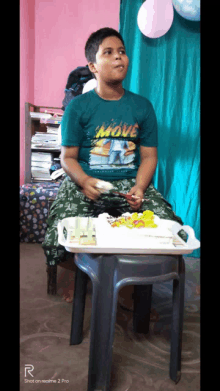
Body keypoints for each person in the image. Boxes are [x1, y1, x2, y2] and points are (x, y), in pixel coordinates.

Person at [42, 27, 183, 302]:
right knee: (59, 233)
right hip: (87, 181)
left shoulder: (142, 107)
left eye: (122, 52)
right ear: (92, 66)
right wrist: (83, 181)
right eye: (109, 52)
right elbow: (67, 157)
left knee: (169, 228)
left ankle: (126, 285)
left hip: (130, 183)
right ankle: (85, 273)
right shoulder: (78, 107)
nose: (120, 58)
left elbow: (149, 156)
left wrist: (141, 188)